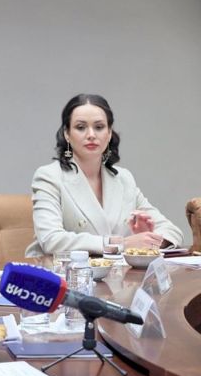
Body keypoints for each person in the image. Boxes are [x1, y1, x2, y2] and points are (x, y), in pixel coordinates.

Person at [25, 93, 183, 257]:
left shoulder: (123, 179)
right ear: (67, 134)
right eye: (81, 127)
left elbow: (171, 231)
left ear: (109, 133)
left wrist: (148, 240)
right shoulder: (49, 176)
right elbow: (51, 240)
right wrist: (120, 244)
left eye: (99, 127)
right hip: (61, 271)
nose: (91, 135)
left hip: (117, 272)